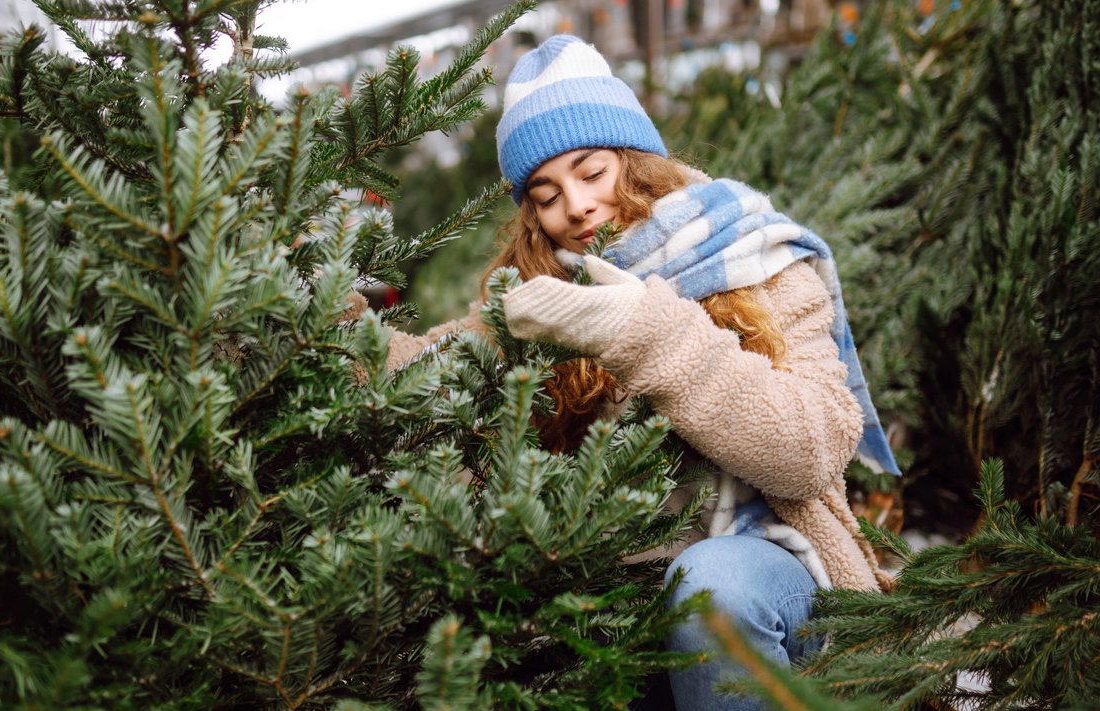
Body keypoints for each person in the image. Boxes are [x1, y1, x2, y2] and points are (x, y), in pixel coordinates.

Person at [384, 34, 899, 710]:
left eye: (591, 172)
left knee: (712, 588)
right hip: (613, 597)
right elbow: (429, 366)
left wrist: (641, 332)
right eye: (545, 193)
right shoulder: (542, 298)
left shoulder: (755, 254)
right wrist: (318, 321)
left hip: (765, 574)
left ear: (634, 160)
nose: (574, 206)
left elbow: (811, 448)